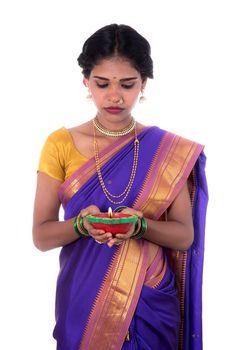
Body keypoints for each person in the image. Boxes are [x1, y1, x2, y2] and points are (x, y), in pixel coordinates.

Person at [33, 24, 208, 350]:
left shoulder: (168, 151)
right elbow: (41, 236)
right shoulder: (60, 144)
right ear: (86, 83)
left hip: (150, 297)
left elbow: (185, 236)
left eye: (127, 84)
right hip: (84, 298)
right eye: (102, 83)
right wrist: (82, 225)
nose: (114, 95)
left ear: (143, 83)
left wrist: (140, 225)